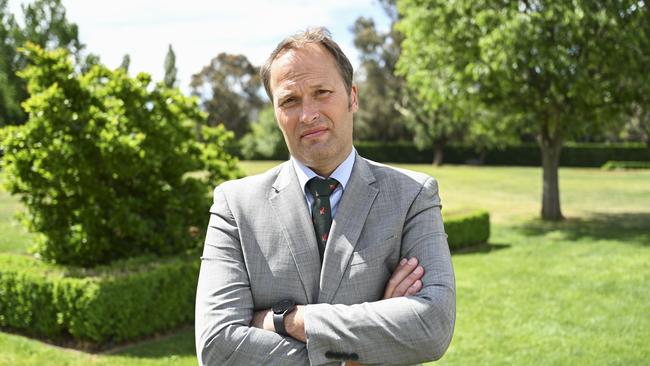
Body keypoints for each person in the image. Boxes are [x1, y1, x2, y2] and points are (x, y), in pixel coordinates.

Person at [195, 27, 455, 366]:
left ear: (353, 97)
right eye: (289, 100)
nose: (308, 114)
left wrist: (287, 320)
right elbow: (218, 348)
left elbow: (432, 326)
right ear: (275, 112)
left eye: (321, 92)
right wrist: (361, 351)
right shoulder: (234, 205)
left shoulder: (412, 196)